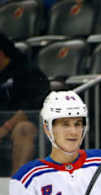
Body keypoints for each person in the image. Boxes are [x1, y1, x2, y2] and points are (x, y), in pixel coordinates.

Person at [0, 33, 50, 176]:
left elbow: (33, 105)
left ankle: (17, 184)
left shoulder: (27, 70)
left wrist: (6, 127)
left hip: (28, 125)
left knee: (23, 128)